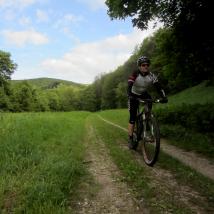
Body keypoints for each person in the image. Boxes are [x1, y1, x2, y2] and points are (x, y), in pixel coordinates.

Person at [127, 56, 168, 149]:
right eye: (143, 65)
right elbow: (129, 84)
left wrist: (164, 96)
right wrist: (129, 95)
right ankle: (130, 138)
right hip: (133, 94)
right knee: (132, 117)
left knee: (149, 103)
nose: (145, 66)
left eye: (147, 65)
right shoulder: (135, 74)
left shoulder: (151, 75)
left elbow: (159, 87)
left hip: (143, 94)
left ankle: (147, 123)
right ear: (139, 66)